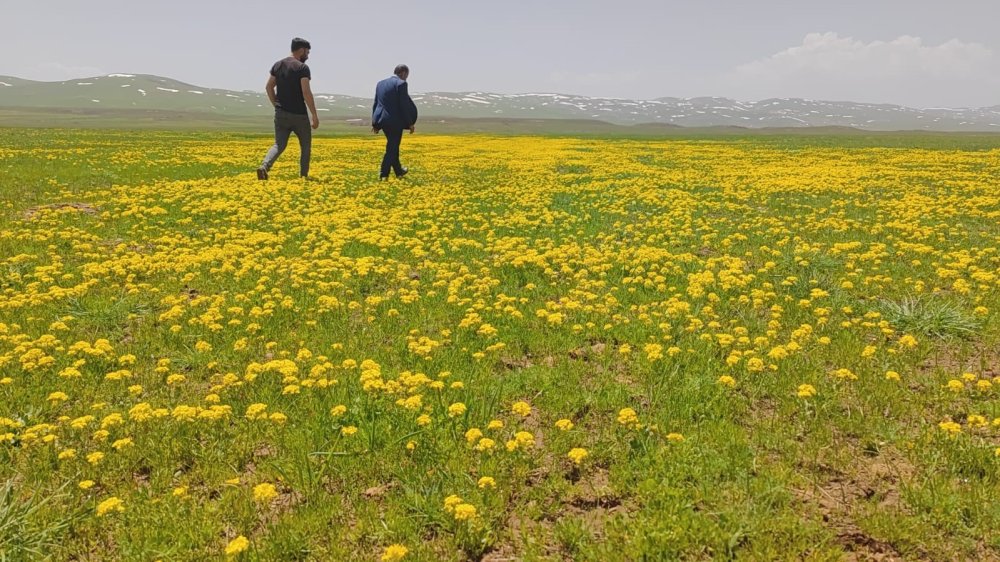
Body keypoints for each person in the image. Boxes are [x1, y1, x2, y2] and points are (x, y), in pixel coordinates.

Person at [257, 37, 319, 180]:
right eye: (307, 53)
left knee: (279, 145)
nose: (307, 56)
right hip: (299, 115)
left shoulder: (278, 65)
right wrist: (314, 115)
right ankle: (304, 176)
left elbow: (269, 86)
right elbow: (306, 92)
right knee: (305, 147)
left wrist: (276, 105)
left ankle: (264, 167)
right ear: (301, 50)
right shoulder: (302, 68)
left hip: (281, 114)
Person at [372, 64, 418, 180]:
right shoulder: (401, 84)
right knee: (392, 148)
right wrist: (410, 123)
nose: (406, 77)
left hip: (382, 120)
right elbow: (404, 105)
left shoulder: (380, 84)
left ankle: (399, 171)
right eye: (407, 75)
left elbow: (376, 103)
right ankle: (384, 174)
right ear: (403, 73)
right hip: (395, 122)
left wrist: (375, 123)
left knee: (393, 146)